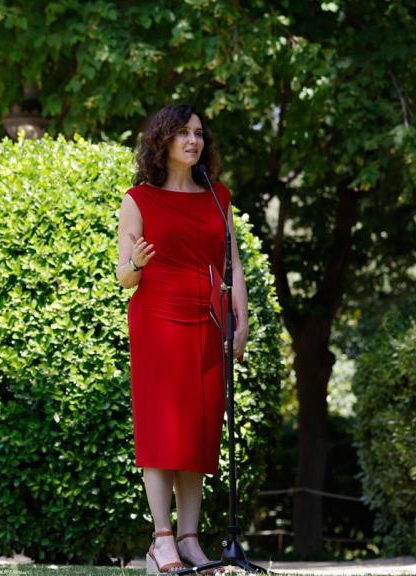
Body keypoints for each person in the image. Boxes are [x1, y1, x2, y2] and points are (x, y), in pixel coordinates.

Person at [115, 104, 248, 575]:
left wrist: (241, 316)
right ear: (163, 141)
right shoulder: (139, 200)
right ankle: (162, 540)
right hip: (157, 321)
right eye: (183, 133)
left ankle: (191, 540)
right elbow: (123, 277)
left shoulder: (218, 196)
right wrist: (139, 262)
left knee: (198, 430)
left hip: (206, 320)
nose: (194, 141)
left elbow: (231, 257)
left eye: (199, 133)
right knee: (162, 432)